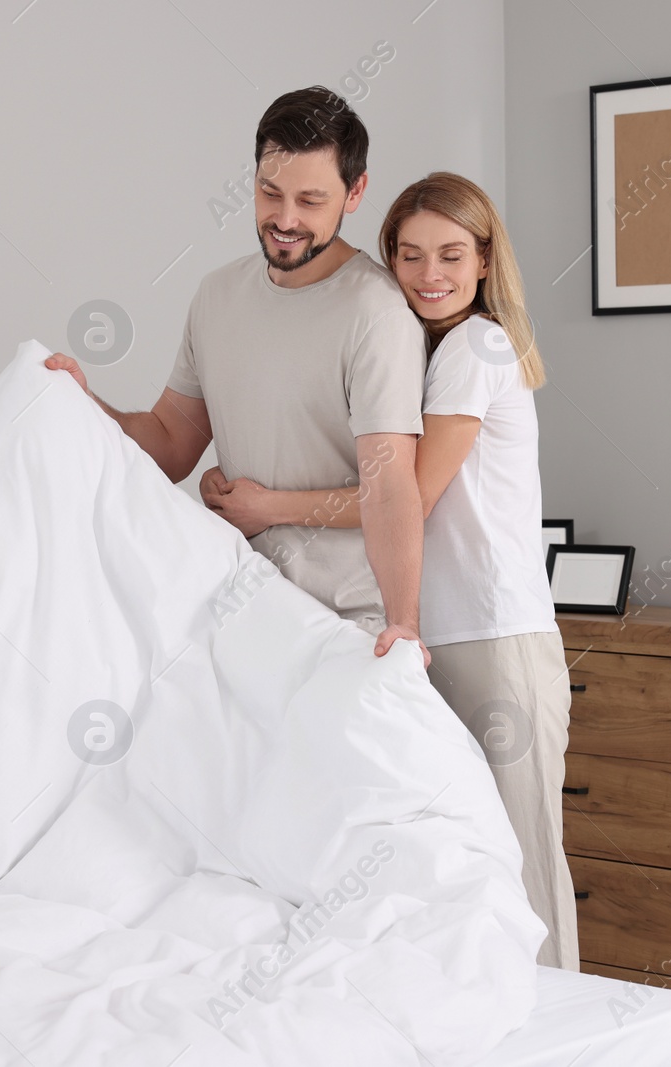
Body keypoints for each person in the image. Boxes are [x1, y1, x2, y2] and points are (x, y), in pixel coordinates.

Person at [198, 172, 579, 969]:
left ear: (484, 260)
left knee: (520, 863)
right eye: (409, 256)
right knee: (462, 863)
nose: (428, 274)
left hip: (496, 639)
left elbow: (406, 494)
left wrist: (269, 507)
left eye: (449, 254)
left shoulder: (476, 345)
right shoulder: (428, 352)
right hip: (437, 638)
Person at [46, 86, 429, 663]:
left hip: (347, 627)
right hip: (238, 611)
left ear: (355, 192)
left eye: (310, 200)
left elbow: (392, 486)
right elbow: (173, 443)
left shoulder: (376, 313)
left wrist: (404, 624)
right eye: (269, 192)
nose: (285, 219)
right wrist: (85, 403)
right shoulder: (217, 295)